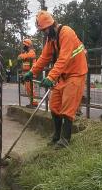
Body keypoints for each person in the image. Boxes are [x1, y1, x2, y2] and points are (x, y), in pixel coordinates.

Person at [23, 10, 87, 148]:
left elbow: (63, 58)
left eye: (45, 30)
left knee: (67, 108)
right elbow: (44, 58)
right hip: (64, 76)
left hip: (76, 74)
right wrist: (32, 72)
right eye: (42, 30)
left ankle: (65, 140)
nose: (44, 33)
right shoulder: (51, 39)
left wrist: (51, 77)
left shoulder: (66, 33)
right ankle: (57, 135)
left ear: (51, 25)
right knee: (54, 106)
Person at [18, 39, 38, 107]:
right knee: (28, 89)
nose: (23, 46)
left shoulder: (32, 52)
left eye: (24, 45)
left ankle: (34, 103)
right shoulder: (26, 53)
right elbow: (19, 57)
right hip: (27, 73)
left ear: (28, 45)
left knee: (31, 88)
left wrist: (22, 56)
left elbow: (22, 57)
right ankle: (32, 102)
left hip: (31, 73)